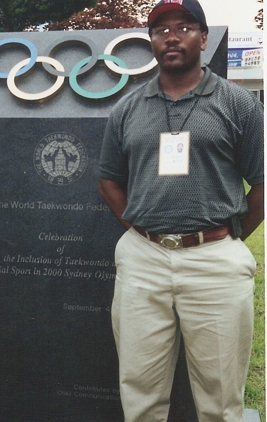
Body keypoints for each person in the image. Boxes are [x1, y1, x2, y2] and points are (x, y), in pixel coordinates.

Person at [98, 0, 264, 421]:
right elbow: (109, 180)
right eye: (160, 30)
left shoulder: (238, 104)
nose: (171, 37)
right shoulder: (127, 109)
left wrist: (226, 238)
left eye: (185, 27)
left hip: (214, 260)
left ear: (204, 38)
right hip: (143, 260)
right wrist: (140, 230)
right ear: (151, 42)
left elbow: (262, 182)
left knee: (220, 398)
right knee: (140, 391)